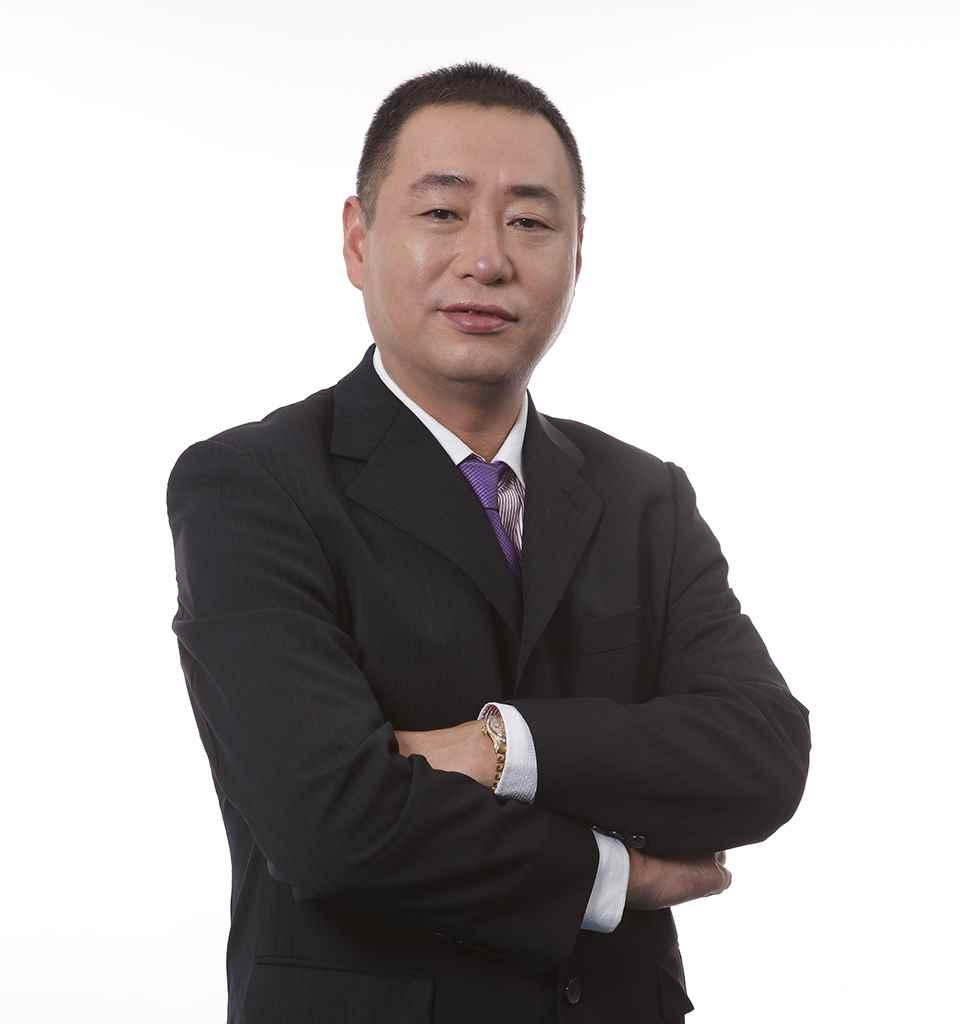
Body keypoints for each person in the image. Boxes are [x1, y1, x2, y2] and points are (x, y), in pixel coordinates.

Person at [165, 60, 811, 1024]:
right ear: (357, 238)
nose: (487, 259)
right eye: (442, 213)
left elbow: (762, 757)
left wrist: (502, 747)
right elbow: (328, 822)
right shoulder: (252, 485)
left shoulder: (646, 497)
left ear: (578, 254)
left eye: (530, 222)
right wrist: (611, 875)